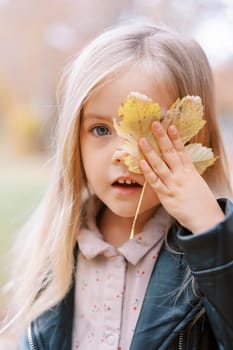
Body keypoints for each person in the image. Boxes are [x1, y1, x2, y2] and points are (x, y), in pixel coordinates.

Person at [1, 22, 233, 350]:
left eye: (149, 133)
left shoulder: (212, 251)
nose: (123, 155)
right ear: (73, 139)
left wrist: (213, 236)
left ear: (196, 136)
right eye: (100, 130)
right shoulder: (56, 246)